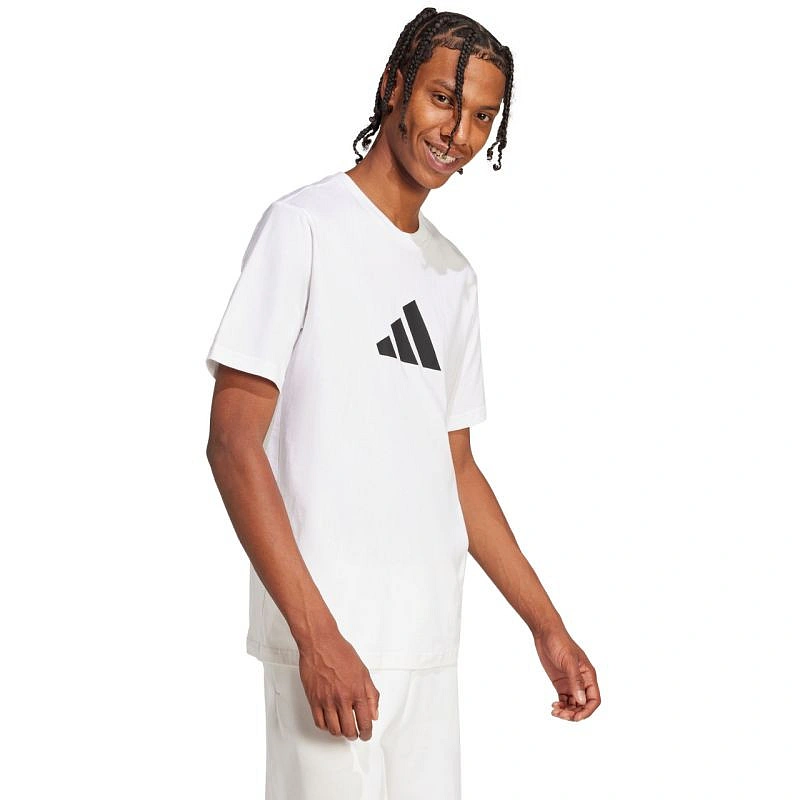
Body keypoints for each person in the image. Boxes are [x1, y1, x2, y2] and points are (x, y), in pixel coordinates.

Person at [205, 7, 600, 798]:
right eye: (443, 99)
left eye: (482, 115)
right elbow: (233, 443)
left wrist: (547, 627)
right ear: (395, 87)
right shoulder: (303, 228)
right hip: (328, 643)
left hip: (428, 644)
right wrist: (316, 637)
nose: (458, 133)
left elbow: (457, 470)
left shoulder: (453, 275)